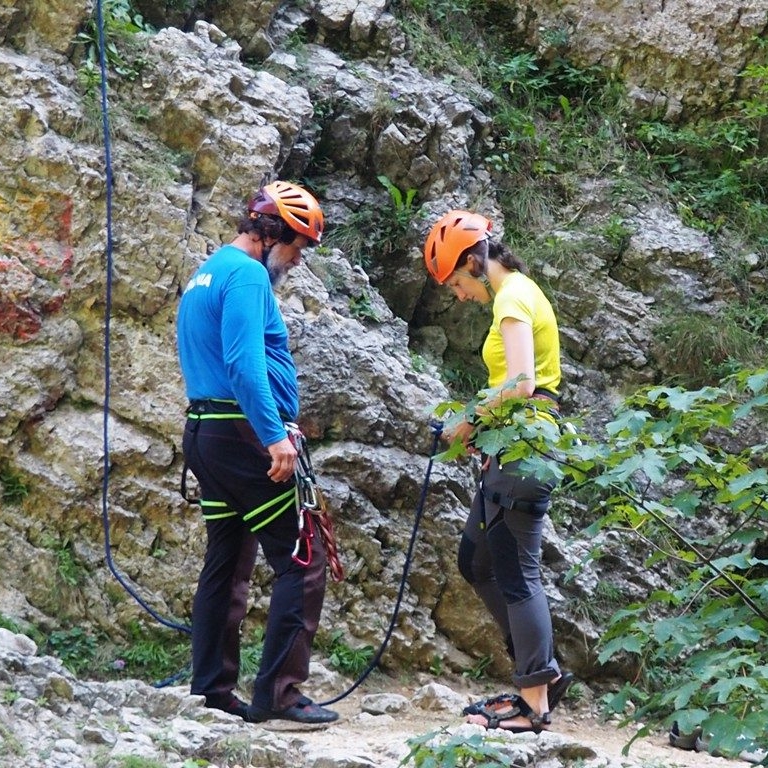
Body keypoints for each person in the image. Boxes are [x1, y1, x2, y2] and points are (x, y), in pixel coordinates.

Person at [176, 180, 339, 725]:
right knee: (302, 559)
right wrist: (274, 437)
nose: (296, 261)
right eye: (298, 247)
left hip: (205, 434)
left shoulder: (205, 274)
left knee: (226, 561)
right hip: (244, 435)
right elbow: (245, 365)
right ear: (274, 233)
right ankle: (281, 694)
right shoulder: (247, 276)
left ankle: (213, 691)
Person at [423, 210, 573, 733]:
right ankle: (542, 675)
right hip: (511, 447)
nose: (460, 294)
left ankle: (534, 701)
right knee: (478, 561)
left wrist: (465, 424)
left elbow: (522, 384)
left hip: (526, 446)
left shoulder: (511, 297)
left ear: (472, 261)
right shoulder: (519, 293)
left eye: (457, 282)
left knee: (514, 570)